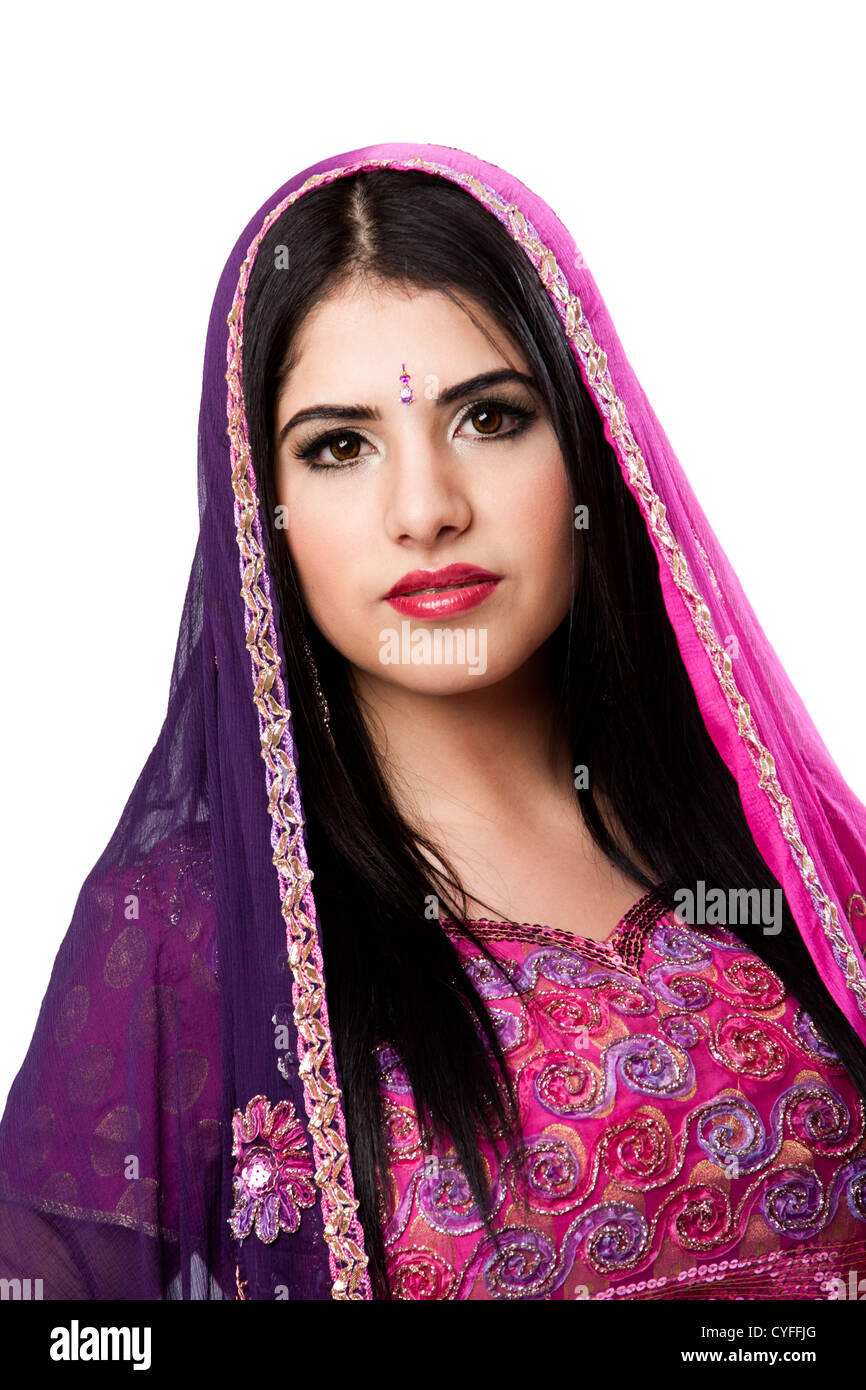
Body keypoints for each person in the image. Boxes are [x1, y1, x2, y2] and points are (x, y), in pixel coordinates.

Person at [1, 140, 865, 1303]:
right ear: (267, 511)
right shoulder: (189, 932)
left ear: (590, 454)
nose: (424, 509)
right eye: (340, 447)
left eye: (490, 419)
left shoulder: (780, 854)